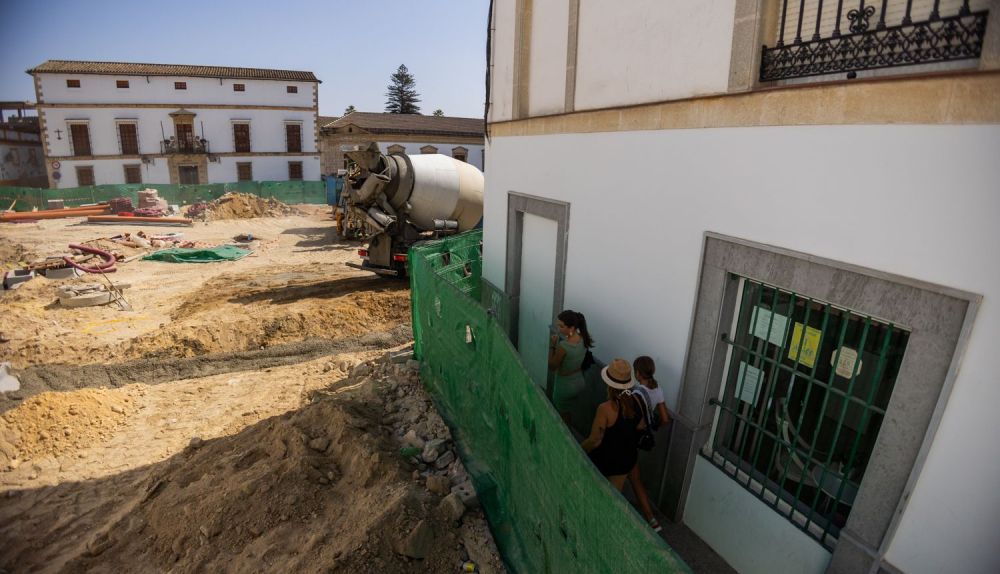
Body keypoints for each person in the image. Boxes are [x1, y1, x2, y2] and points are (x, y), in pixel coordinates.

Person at [582, 358, 647, 493]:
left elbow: (595, 440)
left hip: (605, 458)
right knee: (613, 496)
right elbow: (641, 426)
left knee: (592, 491)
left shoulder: (605, 408)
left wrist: (580, 449)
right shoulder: (639, 399)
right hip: (626, 458)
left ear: (609, 384)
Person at [629, 355, 670, 532]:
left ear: (638, 373)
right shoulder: (658, 389)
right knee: (633, 476)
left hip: (630, 436)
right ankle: (652, 519)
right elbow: (665, 418)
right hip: (641, 436)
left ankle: (651, 519)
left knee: (632, 476)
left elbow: (629, 417)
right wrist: (653, 425)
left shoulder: (637, 393)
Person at [547, 310, 593, 426]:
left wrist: (552, 345)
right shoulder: (583, 338)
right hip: (579, 381)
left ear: (571, 328)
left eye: (561, 326)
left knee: (563, 417)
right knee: (569, 411)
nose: (559, 329)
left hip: (565, 386)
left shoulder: (564, 346)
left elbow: (552, 366)